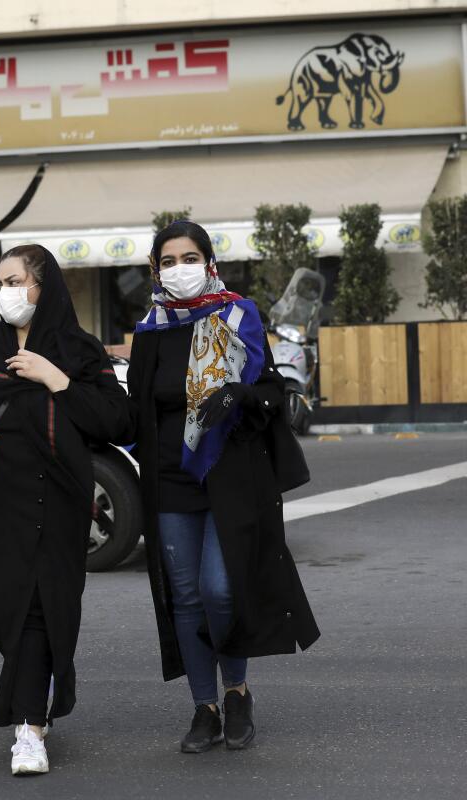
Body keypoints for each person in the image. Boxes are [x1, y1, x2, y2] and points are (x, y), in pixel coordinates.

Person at [0, 244, 129, 776]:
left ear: (43, 286)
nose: (5, 293)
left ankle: (29, 730)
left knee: (42, 611)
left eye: (15, 281)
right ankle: (33, 699)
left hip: (56, 504)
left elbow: (113, 421)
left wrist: (53, 377)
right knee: (6, 611)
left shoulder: (78, 350)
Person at [125, 220, 320, 754]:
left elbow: (272, 392)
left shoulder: (238, 315)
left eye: (189, 258)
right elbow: (133, 410)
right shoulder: (151, 329)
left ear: (209, 262)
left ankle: (238, 692)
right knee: (186, 597)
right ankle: (205, 708)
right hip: (168, 481)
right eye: (168, 261)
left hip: (231, 478)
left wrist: (240, 394)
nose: (179, 269)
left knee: (219, 588)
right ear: (155, 270)